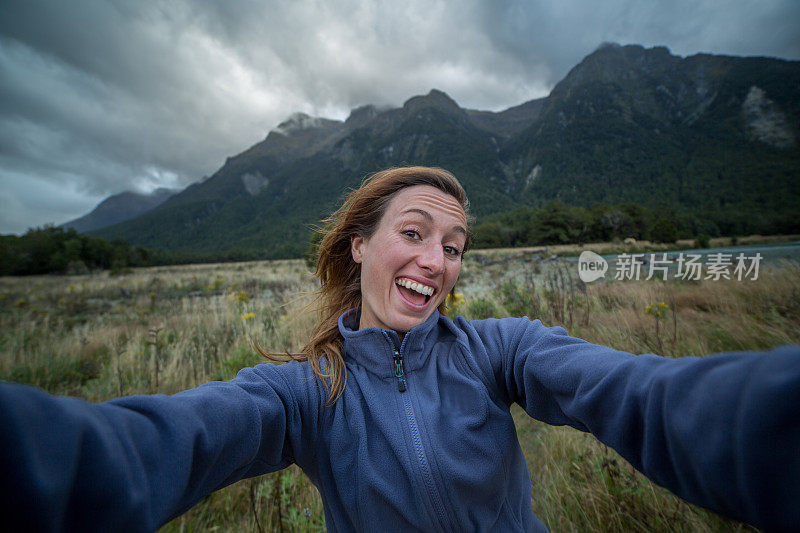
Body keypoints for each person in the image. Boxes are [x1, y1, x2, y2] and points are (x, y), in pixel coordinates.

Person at [1, 166, 799, 532]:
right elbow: (157, 445)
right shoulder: (302, 389)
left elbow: (644, 396)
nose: (436, 261)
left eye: (453, 245)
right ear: (358, 245)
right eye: (413, 234)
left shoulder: (503, 348)